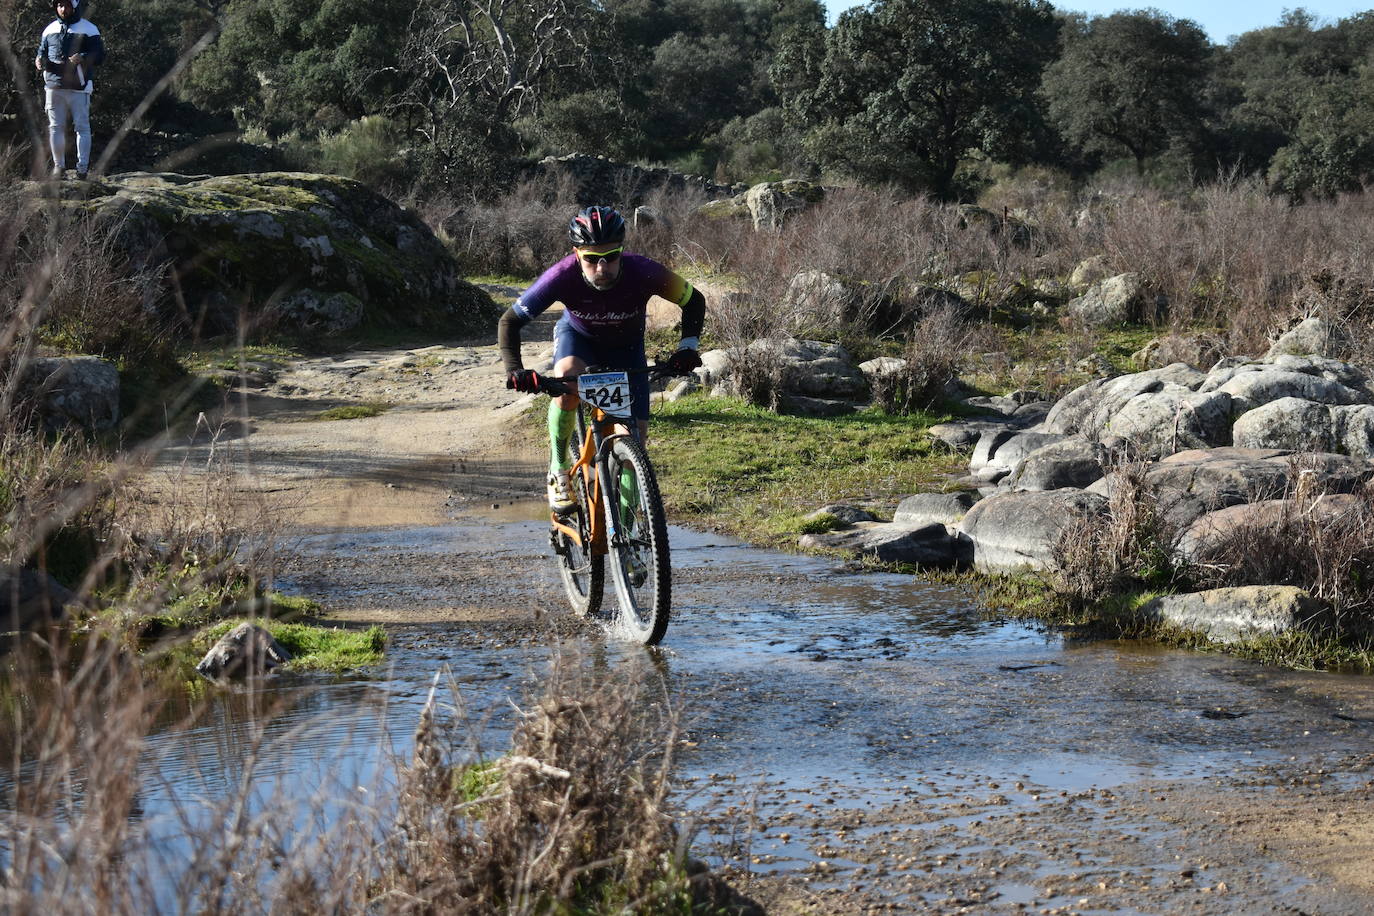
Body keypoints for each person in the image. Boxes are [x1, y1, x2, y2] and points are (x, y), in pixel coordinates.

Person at [498, 205, 706, 513]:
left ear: (623, 251)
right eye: (591, 259)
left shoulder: (643, 271)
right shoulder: (561, 276)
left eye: (611, 257)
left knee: (634, 439)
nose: (601, 267)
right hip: (578, 339)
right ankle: (558, 469)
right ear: (576, 253)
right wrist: (516, 370)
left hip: (626, 348)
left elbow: (694, 300)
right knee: (567, 381)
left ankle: (629, 529)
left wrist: (687, 347)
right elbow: (510, 321)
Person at [34, 0, 104, 180]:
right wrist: (39, 60)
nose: (63, 9)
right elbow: (42, 51)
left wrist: (83, 57)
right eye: (59, 5)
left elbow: (99, 55)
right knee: (55, 127)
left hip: (79, 88)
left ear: (75, 7)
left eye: (66, 5)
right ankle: (59, 168)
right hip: (53, 86)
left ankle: (82, 169)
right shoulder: (49, 29)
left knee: (82, 128)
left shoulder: (89, 29)